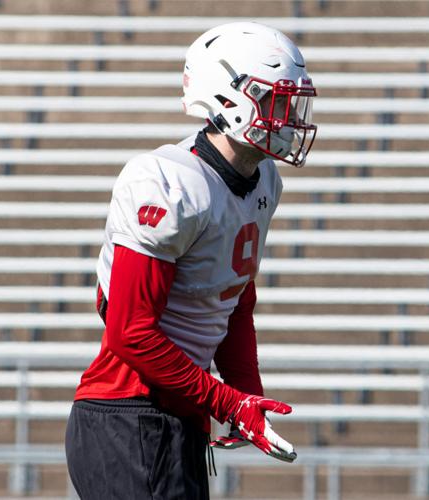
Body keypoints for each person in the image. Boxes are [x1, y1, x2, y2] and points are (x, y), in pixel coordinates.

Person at [65, 21, 317, 500]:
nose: (288, 117)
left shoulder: (263, 181)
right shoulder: (167, 181)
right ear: (227, 99)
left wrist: (246, 395)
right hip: (129, 413)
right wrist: (228, 400)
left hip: (177, 415)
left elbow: (235, 305)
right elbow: (129, 331)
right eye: (275, 100)